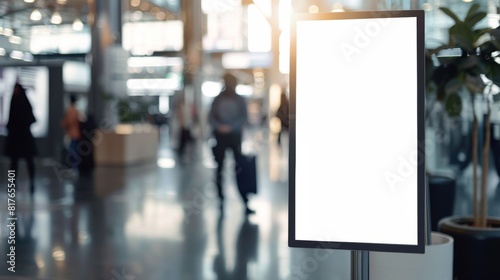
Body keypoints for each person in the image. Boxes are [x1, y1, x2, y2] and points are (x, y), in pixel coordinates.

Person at [209, 72, 254, 215]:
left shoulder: (239, 100)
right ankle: (221, 200)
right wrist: (220, 127)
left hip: (235, 138)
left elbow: (243, 118)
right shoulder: (218, 99)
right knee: (220, 169)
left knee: (239, 168)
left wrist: (230, 127)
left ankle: (245, 201)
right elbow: (211, 117)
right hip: (220, 138)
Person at [4, 83, 37, 194]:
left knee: (28, 161)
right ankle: (12, 184)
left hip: (23, 137)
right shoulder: (13, 101)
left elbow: (31, 118)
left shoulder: (22, 102)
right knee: (14, 163)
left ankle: (32, 182)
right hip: (17, 137)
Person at [61, 94, 82, 173]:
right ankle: (75, 167)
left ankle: (75, 168)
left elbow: (68, 122)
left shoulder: (70, 110)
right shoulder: (76, 110)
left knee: (73, 151)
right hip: (76, 133)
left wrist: (63, 123)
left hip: (72, 133)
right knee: (74, 150)